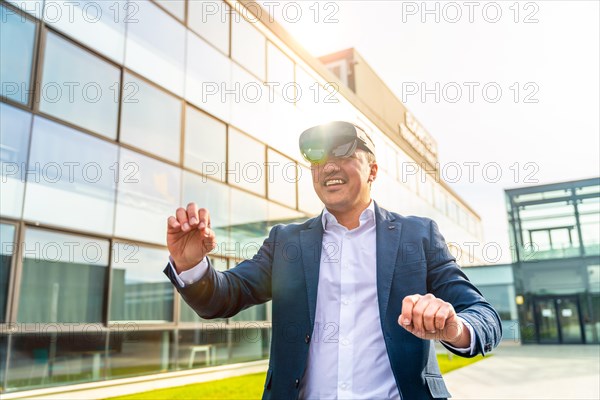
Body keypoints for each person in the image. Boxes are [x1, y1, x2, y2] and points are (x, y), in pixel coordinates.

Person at [164, 121, 502, 400]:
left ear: (372, 170)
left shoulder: (418, 236)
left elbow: (484, 316)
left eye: (343, 152)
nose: (328, 166)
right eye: (317, 158)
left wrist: (454, 326)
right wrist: (192, 266)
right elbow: (226, 295)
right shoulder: (286, 241)